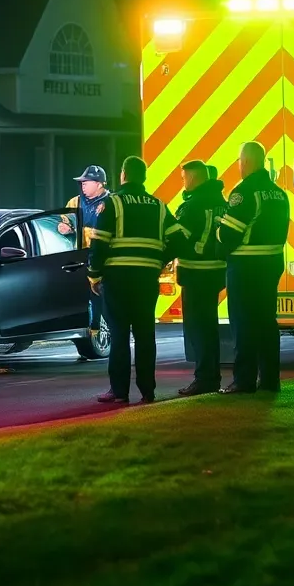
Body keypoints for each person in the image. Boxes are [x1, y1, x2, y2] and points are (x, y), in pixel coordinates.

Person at [88, 156, 189, 404]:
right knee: (145, 335)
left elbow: (99, 243)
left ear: (124, 175)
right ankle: (148, 391)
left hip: (117, 279)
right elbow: (181, 239)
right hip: (146, 279)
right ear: (143, 177)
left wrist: (93, 274)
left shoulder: (112, 203)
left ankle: (119, 392)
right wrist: (158, 259)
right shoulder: (159, 206)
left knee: (119, 334)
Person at [217, 141, 290, 394]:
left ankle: (244, 380)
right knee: (267, 325)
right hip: (271, 264)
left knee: (243, 325)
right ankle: (270, 381)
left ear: (245, 162)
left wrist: (217, 234)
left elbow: (228, 234)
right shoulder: (279, 193)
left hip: (245, 267)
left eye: (239, 161)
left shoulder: (244, 192)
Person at [173, 160, 227, 396]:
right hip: (217, 273)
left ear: (193, 178)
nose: (183, 182)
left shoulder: (192, 207)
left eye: (184, 177)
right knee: (210, 328)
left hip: (195, 274)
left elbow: (177, 239)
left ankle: (204, 379)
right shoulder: (222, 203)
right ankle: (212, 377)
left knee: (198, 329)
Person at [58, 165, 111, 340]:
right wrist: (63, 227)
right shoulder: (75, 202)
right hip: (81, 260)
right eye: (82, 182)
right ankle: (92, 333)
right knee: (87, 297)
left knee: (105, 298)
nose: (83, 186)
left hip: (106, 260)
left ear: (100, 184)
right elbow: (64, 221)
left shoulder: (111, 202)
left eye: (86, 182)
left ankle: (110, 332)